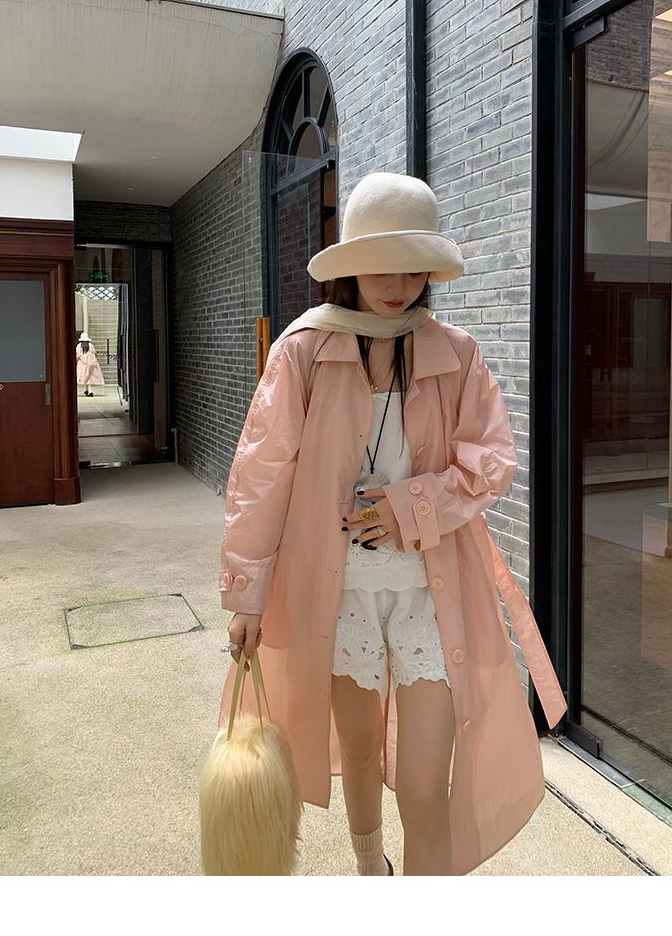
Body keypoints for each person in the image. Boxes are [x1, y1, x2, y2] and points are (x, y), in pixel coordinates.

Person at [217, 172, 565, 876]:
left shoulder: (456, 352)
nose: (399, 284)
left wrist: (411, 507)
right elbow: (261, 476)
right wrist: (246, 594)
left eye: (414, 267)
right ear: (350, 266)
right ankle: (370, 873)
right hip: (338, 595)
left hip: (429, 599)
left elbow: (491, 462)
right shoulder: (303, 351)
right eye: (382, 264)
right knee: (362, 755)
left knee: (425, 787)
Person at [76, 332, 105, 397]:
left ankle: (89, 390)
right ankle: (89, 390)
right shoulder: (91, 345)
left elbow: (77, 355)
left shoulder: (79, 346)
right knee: (90, 377)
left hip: (82, 364)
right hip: (91, 364)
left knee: (83, 377)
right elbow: (94, 353)